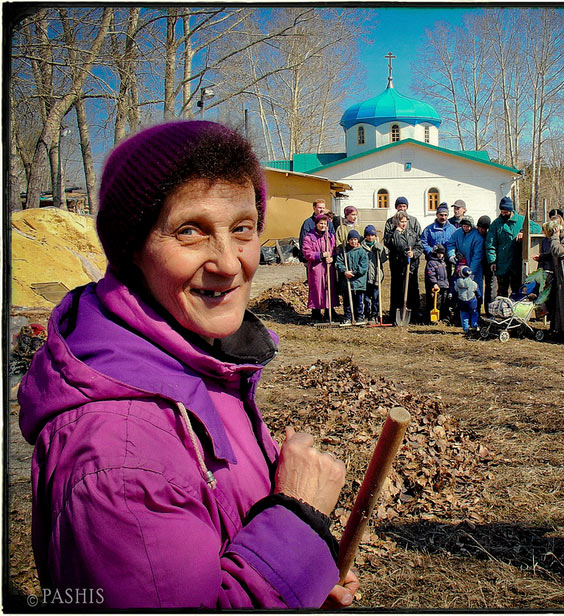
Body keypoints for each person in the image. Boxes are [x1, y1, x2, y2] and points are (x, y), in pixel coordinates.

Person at [17, 121, 359, 609]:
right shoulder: (119, 452)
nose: (228, 262)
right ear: (132, 248)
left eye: (242, 229)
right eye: (190, 231)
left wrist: (300, 577)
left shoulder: (198, 363)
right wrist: (298, 516)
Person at [385, 210, 423, 325]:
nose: (404, 224)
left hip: (411, 266)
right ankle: (395, 315)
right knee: (397, 290)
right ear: (397, 222)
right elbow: (395, 245)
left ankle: (414, 314)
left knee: (412, 289)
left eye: (405, 222)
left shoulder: (412, 233)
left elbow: (419, 246)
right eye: (401, 222)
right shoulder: (391, 234)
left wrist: (414, 253)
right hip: (398, 266)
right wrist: (397, 232)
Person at [446, 216, 484, 323]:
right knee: (460, 290)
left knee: (475, 292)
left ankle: (476, 317)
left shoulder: (477, 237)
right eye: (464, 226)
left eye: (468, 226)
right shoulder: (457, 233)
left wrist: (470, 273)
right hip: (460, 267)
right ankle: (461, 317)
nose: (466, 228)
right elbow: (450, 244)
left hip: (473, 270)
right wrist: (451, 255)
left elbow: (477, 256)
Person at [302, 213, 339, 321]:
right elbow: (307, 252)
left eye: (325, 224)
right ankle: (316, 313)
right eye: (321, 223)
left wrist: (332, 258)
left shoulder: (330, 237)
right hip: (316, 267)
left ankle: (329, 311)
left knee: (329, 288)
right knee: (317, 289)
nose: (323, 226)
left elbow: (335, 251)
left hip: (328, 267)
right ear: (316, 224)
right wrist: (321, 255)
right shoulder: (310, 237)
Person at [486, 196, 524, 298]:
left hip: (517, 263)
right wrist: (492, 261)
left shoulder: (521, 220)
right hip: (502, 264)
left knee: (518, 290)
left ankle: (516, 312)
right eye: (502, 211)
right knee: (502, 292)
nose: (503, 214)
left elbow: (537, 228)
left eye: (505, 212)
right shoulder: (496, 224)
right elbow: (490, 244)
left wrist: (523, 232)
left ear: (511, 210)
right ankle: (502, 312)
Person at [336, 229, 369, 326]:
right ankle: (348, 317)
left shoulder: (362, 252)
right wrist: (344, 271)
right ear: (348, 240)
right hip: (347, 281)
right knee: (347, 301)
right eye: (351, 239)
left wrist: (354, 273)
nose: (353, 241)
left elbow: (363, 266)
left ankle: (359, 316)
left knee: (359, 300)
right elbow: (339, 263)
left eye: (355, 239)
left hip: (358, 281)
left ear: (358, 240)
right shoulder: (344, 251)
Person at [361, 225, 388, 324]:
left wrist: (380, 250)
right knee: (366, 297)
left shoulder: (379, 246)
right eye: (368, 235)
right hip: (366, 277)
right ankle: (367, 313)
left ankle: (375, 314)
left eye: (373, 235)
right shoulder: (362, 247)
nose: (370, 237)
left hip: (377, 276)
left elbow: (384, 259)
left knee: (376, 297)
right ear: (365, 236)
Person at [476, 215, 496, 315]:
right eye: (480, 227)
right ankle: (477, 309)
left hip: (488, 264)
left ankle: (489, 311)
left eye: (484, 228)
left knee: (490, 288)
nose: (481, 230)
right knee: (477, 287)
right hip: (477, 263)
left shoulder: (491, 235)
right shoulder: (474, 235)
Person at [424, 243, 449, 323]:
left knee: (444, 302)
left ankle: (443, 316)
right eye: (438, 253)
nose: (440, 255)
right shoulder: (431, 262)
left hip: (444, 285)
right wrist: (434, 283)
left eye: (442, 253)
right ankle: (432, 318)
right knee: (435, 302)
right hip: (436, 286)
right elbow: (431, 274)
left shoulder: (444, 263)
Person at [454, 266, 479, 335]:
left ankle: (465, 329)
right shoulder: (473, 283)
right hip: (472, 302)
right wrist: (479, 298)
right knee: (474, 314)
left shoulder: (457, 283)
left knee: (464, 314)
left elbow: (455, 291)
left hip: (462, 301)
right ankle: (474, 326)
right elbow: (478, 292)